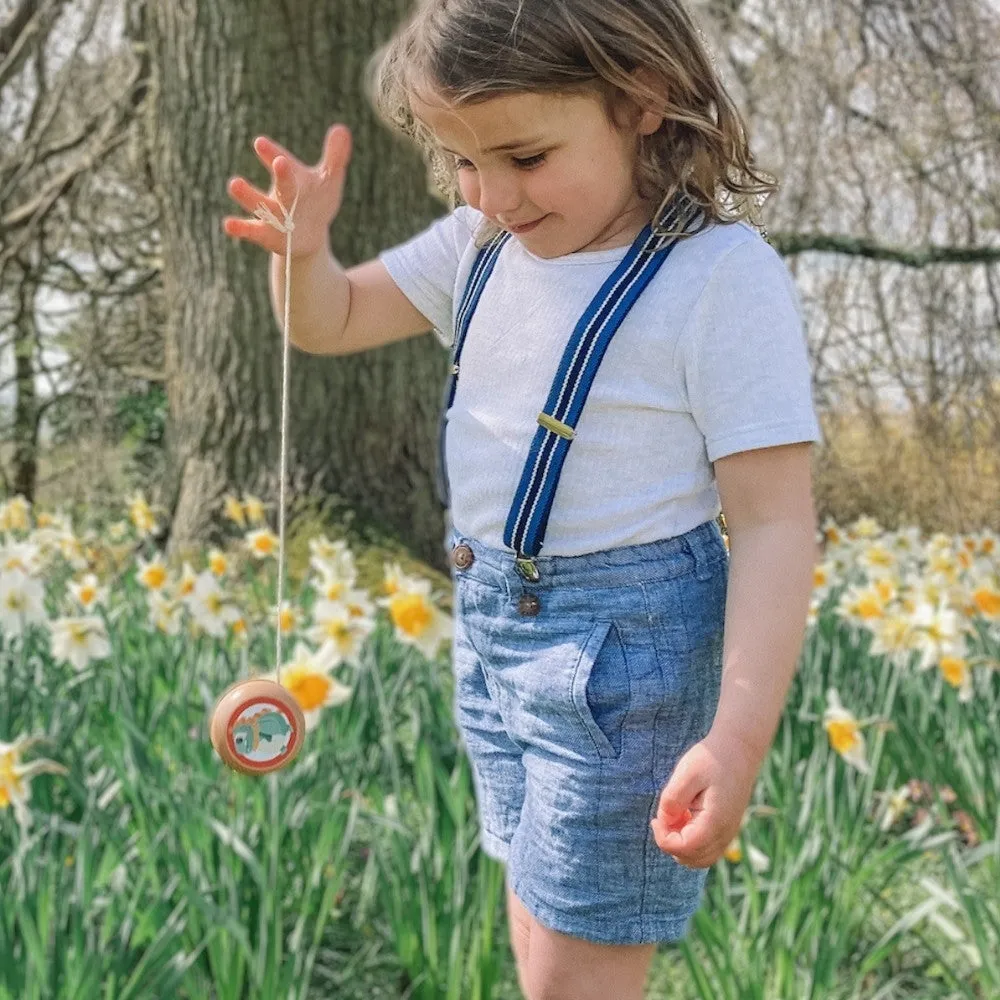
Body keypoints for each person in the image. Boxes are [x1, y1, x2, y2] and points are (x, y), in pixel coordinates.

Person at [223, 1, 822, 997]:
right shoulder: (480, 248)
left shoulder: (715, 277)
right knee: (534, 919)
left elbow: (771, 521)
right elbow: (328, 323)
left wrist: (734, 736)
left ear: (640, 102)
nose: (493, 193)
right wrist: (302, 257)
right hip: (494, 632)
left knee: (572, 971)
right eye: (464, 162)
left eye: (525, 157)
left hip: (623, 662)